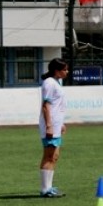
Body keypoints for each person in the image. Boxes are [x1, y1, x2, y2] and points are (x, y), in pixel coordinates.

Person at [38, 58, 69, 198]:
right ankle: (45, 189)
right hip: (50, 126)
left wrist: (61, 123)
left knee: (54, 156)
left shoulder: (56, 82)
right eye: (65, 69)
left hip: (56, 125)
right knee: (49, 155)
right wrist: (49, 126)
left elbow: (57, 105)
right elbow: (46, 106)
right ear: (57, 70)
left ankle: (49, 187)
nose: (67, 72)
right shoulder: (49, 83)